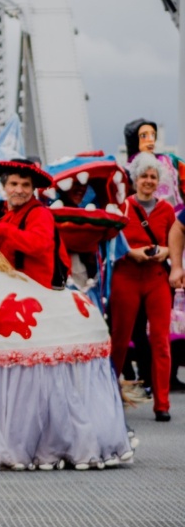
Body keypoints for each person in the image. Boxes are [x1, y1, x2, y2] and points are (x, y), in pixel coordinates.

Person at [111, 153, 174, 421]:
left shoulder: (167, 210)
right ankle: (110, 396)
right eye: (144, 176)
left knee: (161, 341)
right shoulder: (122, 207)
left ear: (158, 181)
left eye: (153, 177)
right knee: (120, 338)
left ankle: (162, 404)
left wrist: (167, 250)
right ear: (134, 179)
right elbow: (111, 242)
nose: (148, 181)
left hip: (156, 277)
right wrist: (130, 252)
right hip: (126, 275)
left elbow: (175, 241)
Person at [0, 159, 59, 289]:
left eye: (25, 185)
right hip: (9, 288)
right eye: (13, 184)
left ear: (32, 189)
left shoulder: (40, 213)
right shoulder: (5, 216)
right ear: (4, 186)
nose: (19, 190)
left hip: (34, 292)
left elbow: (38, 244)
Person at [124, 119, 185, 209]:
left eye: (153, 135)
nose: (150, 139)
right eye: (144, 136)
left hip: (177, 213)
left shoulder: (170, 160)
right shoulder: (127, 171)